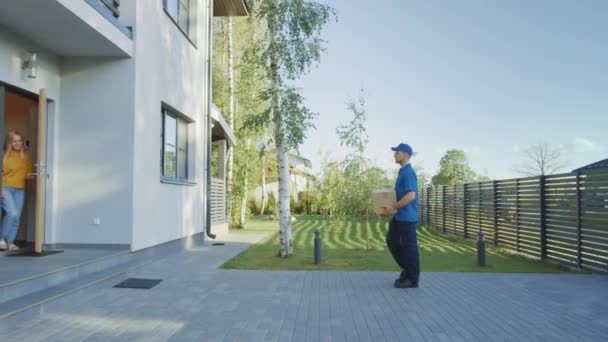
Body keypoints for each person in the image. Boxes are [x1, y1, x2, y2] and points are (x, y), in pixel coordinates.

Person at [382, 143, 420, 288]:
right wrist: (387, 208)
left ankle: (412, 279)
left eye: (397, 152)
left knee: (409, 248)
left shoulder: (409, 172)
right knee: (392, 241)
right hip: (399, 216)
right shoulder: (402, 172)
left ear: (405, 154)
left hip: (407, 217)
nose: (394, 155)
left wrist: (393, 207)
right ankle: (408, 270)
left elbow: (411, 195)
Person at [0, 131, 33, 252]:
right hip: (5, 187)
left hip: (20, 189)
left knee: (16, 217)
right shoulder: (5, 156)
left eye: (19, 141)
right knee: (12, 213)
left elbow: (28, 171)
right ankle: (1, 238)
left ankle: (9, 243)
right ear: (10, 142)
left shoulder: (26, 156)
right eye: (15, 141)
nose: (17, 143)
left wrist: (29, 175)